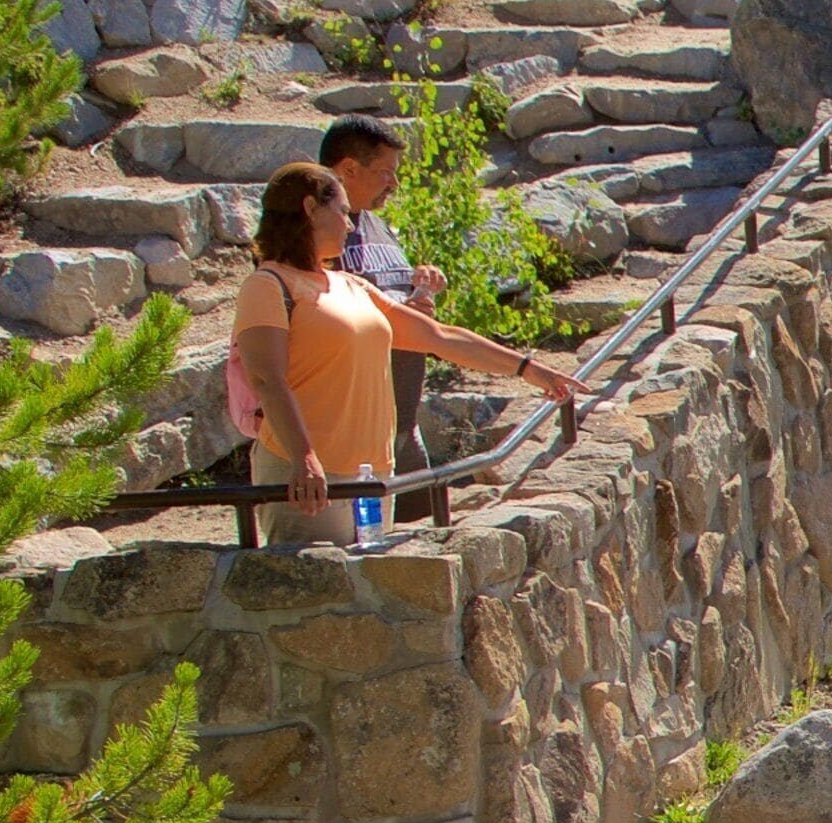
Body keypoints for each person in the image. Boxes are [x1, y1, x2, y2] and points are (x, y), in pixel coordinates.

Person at [233, 161, 578, 546]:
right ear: (310, 208)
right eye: (343, 212)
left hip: (372, 475)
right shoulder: (267, 285)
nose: (350, 225)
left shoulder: (349, 284)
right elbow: (267, 378)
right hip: (310, 473)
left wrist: (529, 369)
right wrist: (304, 457)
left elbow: (438, 336)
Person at [324, 117, 450, 520]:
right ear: (348, 169)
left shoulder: (377, 224)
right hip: (355, 442)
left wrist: (421, 287)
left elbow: (390, 299)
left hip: (402, 426)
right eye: (385, 173)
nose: (394, 184)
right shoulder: (318, 236)